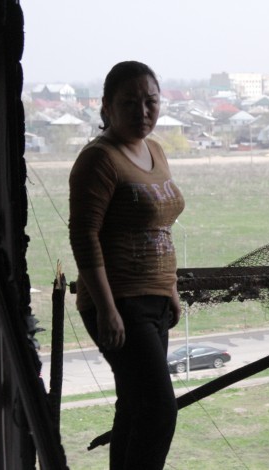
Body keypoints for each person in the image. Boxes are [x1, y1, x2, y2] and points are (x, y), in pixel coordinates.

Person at [69, 60, 185, 469]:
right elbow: (84, 236)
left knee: (134, 407)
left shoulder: (155, 150)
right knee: (158, 411)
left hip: (154, 300)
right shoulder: (98, 159)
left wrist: (170, 289)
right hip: (120, 302)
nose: (143, 111)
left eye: (150, 101)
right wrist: (106, 309)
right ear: (106, 107)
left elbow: (160, 226)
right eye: (129, 103)